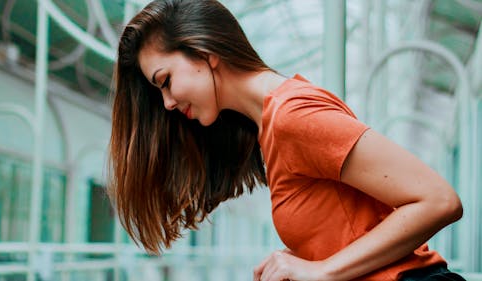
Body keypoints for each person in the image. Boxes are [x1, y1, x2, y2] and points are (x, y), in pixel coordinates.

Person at [108, 0, 466, 280]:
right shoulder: (271, 126)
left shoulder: (292, 116)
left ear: (203, 53)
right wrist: (310, 258)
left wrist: (324, 270)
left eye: (165, 80)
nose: (168, 103)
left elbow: (438, 199)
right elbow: (355, 221)